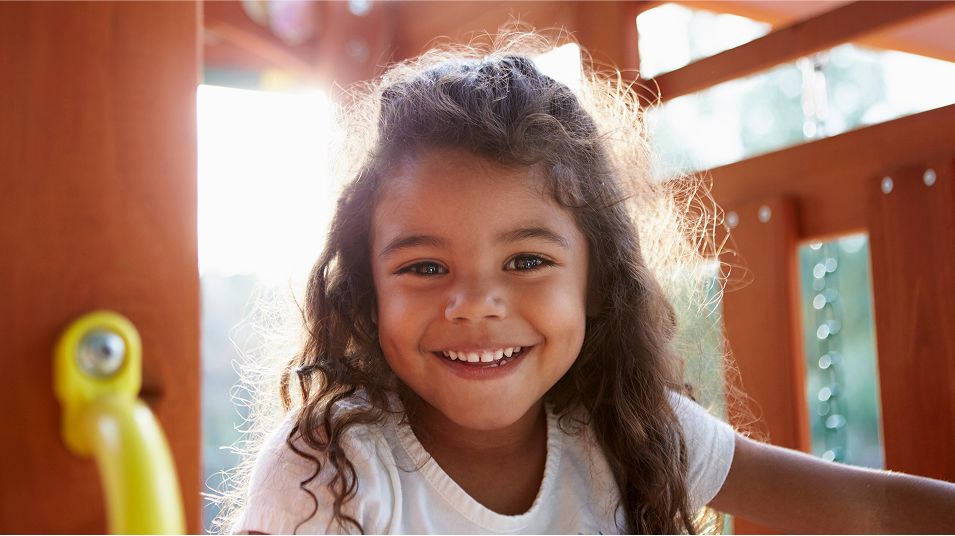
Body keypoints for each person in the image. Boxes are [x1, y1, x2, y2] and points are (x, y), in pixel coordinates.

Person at [226, 33, 955, 534]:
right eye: (423, 267)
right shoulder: (331, 466)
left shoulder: (624, 429)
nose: (475, 302)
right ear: (364, 290)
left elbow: (873, 511)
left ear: (595, 282)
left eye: (525, 262)